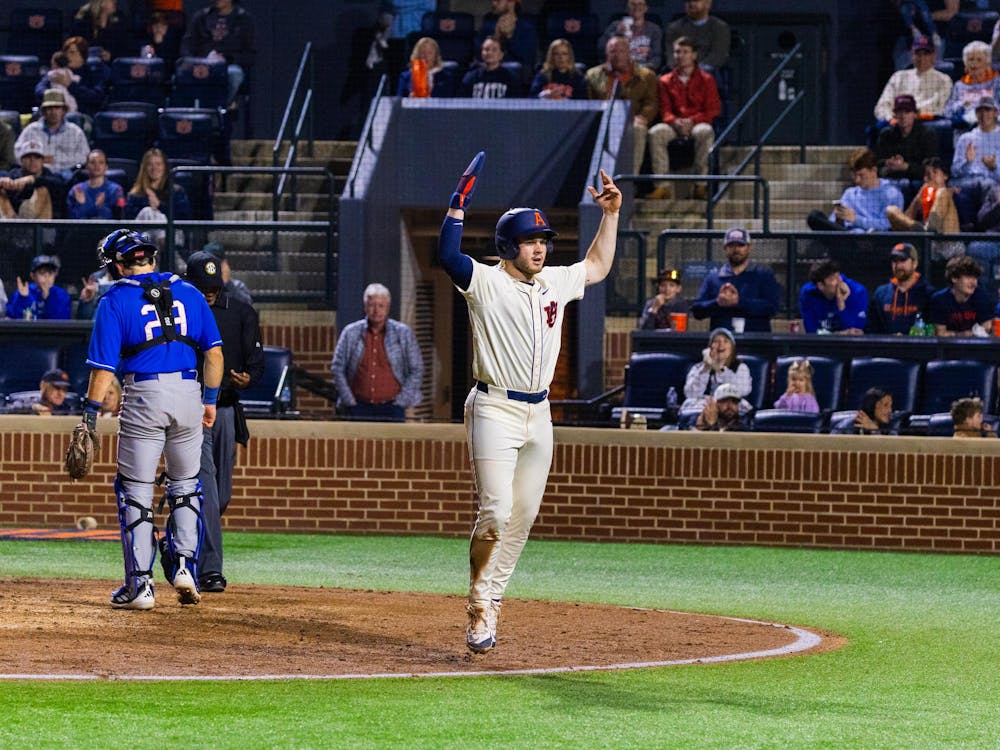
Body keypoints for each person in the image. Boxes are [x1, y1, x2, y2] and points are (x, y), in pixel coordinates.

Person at [437, 152, 621, 653]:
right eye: (530, 240)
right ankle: (477, 601)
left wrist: (611, 214)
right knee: (495, 511)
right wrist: (457, 208)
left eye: (543, 240)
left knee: (522, 518)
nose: (539, 248)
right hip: (494, 406)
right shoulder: (487, 281)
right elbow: (449, 259)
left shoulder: (554, 282)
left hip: (540, 414)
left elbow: (598, 265)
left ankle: (491, 603)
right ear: (507, 245)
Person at [83, 229, 223, 610]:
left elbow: (102, 371)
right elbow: (214, 356)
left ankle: (141, 587)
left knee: (136, 490)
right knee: (186, 485)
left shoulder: (114, 300)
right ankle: (184, 567)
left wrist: (89, 417)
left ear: (117, 265)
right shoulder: (192, 293)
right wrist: (209, 402)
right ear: (152, 259)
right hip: (190, 395)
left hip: (144, 395)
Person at [185, 251, 264, 593]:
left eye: (214, 286)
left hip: (228, 409)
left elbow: (255, 361)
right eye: (204, 287)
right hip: (193, 412)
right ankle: (210, 571)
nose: (210, 293)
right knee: (207, 490)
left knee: (221, 495)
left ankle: (178, 543)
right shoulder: (180, 315)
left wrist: (250, 377)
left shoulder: (242, 313)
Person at [330, 283, 423, 421]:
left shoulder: (403, 333)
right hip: (357, 407)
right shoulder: (350, 333)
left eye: (381, 306)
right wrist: (349, 400)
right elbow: (337, 368)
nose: (376, 310)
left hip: (393, 408)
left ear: (388, 307)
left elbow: (417, 369)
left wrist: (402, 401)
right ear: (365, 306)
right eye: (372, 305)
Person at [646, 37, 721, 201]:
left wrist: (692, 121)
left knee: (706, 131)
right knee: (655, 133)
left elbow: (713, 109)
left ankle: (701, 184)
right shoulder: (664, 81)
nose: (680, 55)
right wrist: (675, 122)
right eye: (677, 52)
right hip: (674, 124)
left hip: (697, 123)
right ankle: (662, 186)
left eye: (685, 52)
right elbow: (664, 110)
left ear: (694, 55)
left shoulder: (707, 79)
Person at [585, 36, 659, 175]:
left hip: (634, 120)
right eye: (613, 51)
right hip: (604, 120)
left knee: (637, 129)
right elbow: (590, 103)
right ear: (607, 54)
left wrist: (643, 117)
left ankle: (630, 179)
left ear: (629, 52)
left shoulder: (646, 75)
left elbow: (651, 102)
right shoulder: (592, 76)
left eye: (621, 51)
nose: (617, 55)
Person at [689, 226, 782, 332]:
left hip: (755, 341)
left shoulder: (763, 274)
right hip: (722, 341)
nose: (736, 249)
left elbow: (772, 307)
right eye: (731, 245)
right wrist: (718, 303)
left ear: (749, 247)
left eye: (740, 245)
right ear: (725, 248)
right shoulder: (714, 277)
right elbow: (697, 310)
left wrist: (739, 302)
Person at [806, 147, 904, 232]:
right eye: (854, 175)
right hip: (847, 236)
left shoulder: (891, 193)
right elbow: (833, 223)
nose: (857, 180)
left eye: (861, 175)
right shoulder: (850, 193)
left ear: (874, 171)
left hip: (873, 241)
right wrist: (838, 218)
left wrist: (856, 219)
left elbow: (888, 225)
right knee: (814, 217)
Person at [181, 0, 257, 106]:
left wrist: (227, 58)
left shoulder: (243, 19)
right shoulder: (201, 17)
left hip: (229, 65)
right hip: (201, 64)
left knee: (234, 74)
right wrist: (195, 63)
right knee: (182, 74)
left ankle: (221, 106)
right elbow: (187, 45)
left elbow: (250, 54)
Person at [874, 36, 952, 123]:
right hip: (896, 124)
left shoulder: (944, 80)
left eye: (926, 53)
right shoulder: (898, 77)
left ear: (933, 56)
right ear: (912, 55)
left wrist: (905, 114)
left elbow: (938, 107)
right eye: (918, 53)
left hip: (926, 124)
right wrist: (890, 118)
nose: (921, 58)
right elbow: (881, 106)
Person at [14, 90, 91, 179]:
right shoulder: (31, 130)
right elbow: (17, 154)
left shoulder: (76, 132)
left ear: (63, 111)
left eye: (57, 108)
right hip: (35, 174)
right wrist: (37, 162)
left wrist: (57, 160)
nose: (53, 112)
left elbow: (84, 157)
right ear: (43, 112)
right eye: (49, 108)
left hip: (64, 175)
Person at [867, 242, 935, 335]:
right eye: (895, 261)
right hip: (886, 347)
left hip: (918, 348)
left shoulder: (928, 294)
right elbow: (872, 329)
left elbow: (932, 330)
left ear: (915, 263)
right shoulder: (881, 293)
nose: (898, 266)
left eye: (902, 260)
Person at [680, 327, 752, 414]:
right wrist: (706, 368)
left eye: (726, 341)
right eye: (716, 341)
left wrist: (718, 369)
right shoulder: (698, 368)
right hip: (704, 411)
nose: (721, 344)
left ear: (732, 348)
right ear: (710, 347)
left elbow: (741, 390)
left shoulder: (741, 368)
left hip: (731, 411)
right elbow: (690, 394)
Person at [33, 37, 107, 116]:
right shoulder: (58, 71)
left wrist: (70, 85)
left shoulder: (94, 72)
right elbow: (39, 89)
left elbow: (96, 97)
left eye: (72, 52)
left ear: (82, 56)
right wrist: (54, 96)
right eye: (66, 52)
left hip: (80, 115)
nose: (67, 56)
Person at [886, 156, 958, 235]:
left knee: (942, 192)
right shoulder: (922, 197)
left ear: (945, 176)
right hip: (924, 242)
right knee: (891, 210)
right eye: (927, 174)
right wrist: (917, 199)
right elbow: (904, 224)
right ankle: (924, 231)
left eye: (935, 172)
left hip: (947, 243)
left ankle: (927, 231)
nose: (930, 176)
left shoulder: (952, 194)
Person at [876, 94, 938, 183]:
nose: (903, 116)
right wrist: (888, 163)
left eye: (907, 112)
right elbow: (877, 164)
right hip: (891, 180)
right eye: (899, 112)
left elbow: (932, 168)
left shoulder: (927, 134)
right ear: (895, 115)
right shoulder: (886, 134)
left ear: (915, 114)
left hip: (920, 180)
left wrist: (906, 167)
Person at [927, 254, 993, 336]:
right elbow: (940, 334)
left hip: (976, 348)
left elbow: (986, 329)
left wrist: (954, 334)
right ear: (954, 278)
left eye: (975, 278)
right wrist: (965, 334)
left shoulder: (982, 297)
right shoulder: (939, 300)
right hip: (948, 347)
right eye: (968, 277)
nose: (974, 283)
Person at [798, 259, 868, 335]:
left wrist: (841, 305)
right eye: (833, 279)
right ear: (820, 285)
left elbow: (855, 334)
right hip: (822, 345)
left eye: (839, 275)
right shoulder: (808, 293)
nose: (839, 282)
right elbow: (812, 332)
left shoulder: (857, 292)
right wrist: (838, 334)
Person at [0, 139, 64, 221]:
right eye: (28, 157)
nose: (32, 160)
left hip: (43, 227)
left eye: (37, 157)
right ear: (21, 161)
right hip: (14, 220)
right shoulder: (14, 174)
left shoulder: (49, 175)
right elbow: (5, 177)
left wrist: (33, 179)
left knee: (42, 190)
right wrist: (2, 181)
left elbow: (58, 183)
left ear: (42, 161)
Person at [124, 147, 192, 222]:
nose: (154, 168)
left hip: (171, 232)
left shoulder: (176, 192)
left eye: (158, 164)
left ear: (165, 167)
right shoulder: (135, 194)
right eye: (150, 164)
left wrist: (159, 205)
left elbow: (184, 218)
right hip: (142, 232)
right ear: (144, 168)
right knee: (148, 211)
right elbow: (129, 220)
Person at [944, 41, 1000, 129]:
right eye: (971, 59)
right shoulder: (959, 85)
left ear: (987, 64)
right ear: (965, 63)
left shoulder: (996, 82)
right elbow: (948, 111)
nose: (974, 63)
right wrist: (961, 105)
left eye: (979, 59)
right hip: (965, 126)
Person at [664, 0, 730, 71]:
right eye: (688, 1)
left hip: (709, 72)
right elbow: (670, 54)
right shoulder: (674, 28)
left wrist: (696, 71)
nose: (691, 4)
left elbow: (718, 55)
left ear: (708, 4)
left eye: (696, 1)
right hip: (680, 72)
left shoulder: (720, 27)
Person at [598, 0, 663, 71]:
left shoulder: (654, 29)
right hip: (618, 69)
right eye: (633, 4)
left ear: (646, 8)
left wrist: (644, 70)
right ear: (627, 8)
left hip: (644, 70)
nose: (636, 7)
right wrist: (617, 33)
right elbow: (601, 49)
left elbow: (657, 57)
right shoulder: (615, 26)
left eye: (640, 4)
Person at [951, 96, 1000, 188]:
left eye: (987, 110)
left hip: (995, 186)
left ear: (996, 113)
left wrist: (994, 168)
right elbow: (954, 173)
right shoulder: (965, 138)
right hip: (969, 185)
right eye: (979, 111)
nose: (983, 114)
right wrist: (968, 163)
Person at [5, 255, 71, 320]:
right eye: (42, 273)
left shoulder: (61, 295)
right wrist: (23, 299)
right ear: (32, 276)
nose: (47, 277)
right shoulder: (21, 293)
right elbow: (13, 320)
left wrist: (49, 298)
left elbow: (60, 322)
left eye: (50, 273)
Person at [476, 0, 538, 69]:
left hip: (515, 74)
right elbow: (478, 53)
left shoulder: (526, 27)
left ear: (511, 2)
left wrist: (509, 37)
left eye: (498, 1)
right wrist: (496, 37)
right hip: (489, 72)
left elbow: (528, 58)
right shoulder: (487, 25)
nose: (494, 3)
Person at [67, 149, 126, 221]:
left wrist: (101, 207)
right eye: (92, 162)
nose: (97, 165)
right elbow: (70, 221)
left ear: (106, 167)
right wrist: (81, 205)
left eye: (101, 162)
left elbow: (119, 220)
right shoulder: (76, 190)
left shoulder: (116, 190)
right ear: (87, 166)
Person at [7, 368, 78, 415]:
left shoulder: (67, 409)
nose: (61, 394)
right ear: (43, 385)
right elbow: (8, 411)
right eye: (57, 388)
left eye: (64, 390)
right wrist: (33, 408)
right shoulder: (28, 402)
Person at [829, 387, 897, 435]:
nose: (890, 410)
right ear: (871, 405)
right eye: (885, 405)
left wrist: (875, 431)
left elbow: (892, 452)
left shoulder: (891, 427)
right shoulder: (847, 426)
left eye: (890, 406)